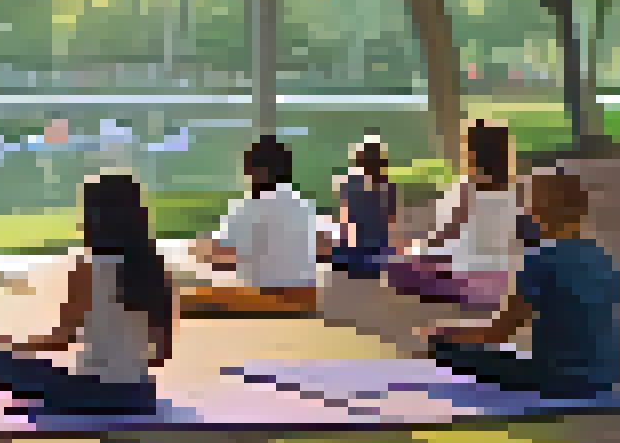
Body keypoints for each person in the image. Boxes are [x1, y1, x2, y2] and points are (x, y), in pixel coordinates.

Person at [0, 172, 173, 414]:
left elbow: (62, 339)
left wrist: (3, 344)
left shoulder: (88, 268)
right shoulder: (156, 268)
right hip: (140, 394)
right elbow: (161, 354)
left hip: (90, 394)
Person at [417, 168, 617, 398]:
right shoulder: (602, 257)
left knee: (447, 349)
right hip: (603, 379)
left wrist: (445, 333)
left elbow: (498, 333)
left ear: (538, 210)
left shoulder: (540, 259)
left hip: (556, 380)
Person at [184, 136, 328, 315]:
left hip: (260, 302)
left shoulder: (248, 208)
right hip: (306, 301)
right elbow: (321, 245)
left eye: (248, 169)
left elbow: (222, 257)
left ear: (255, 171)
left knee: (184, 297)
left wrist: (200, 249)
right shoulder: (304, 206)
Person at [388, 119, 523, 309]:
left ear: (473, 153)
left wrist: (417, 249)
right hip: (505, 281)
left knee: (399, 267)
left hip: (468, 283)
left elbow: (445, 235)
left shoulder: (468, 189)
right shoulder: (514, 189)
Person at [331, 137, 400, 280]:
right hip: (377, 250)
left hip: (360, 249)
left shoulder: (351, 184)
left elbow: (345, 222)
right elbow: (392, 223)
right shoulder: (388, 186)